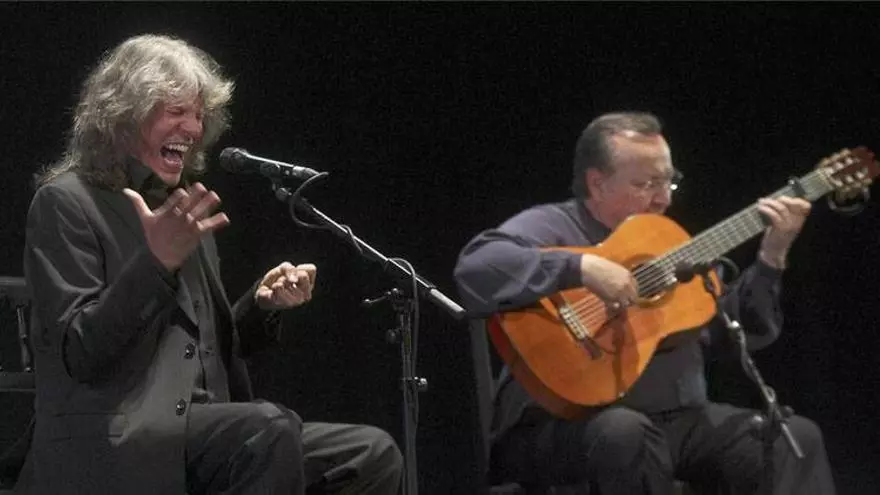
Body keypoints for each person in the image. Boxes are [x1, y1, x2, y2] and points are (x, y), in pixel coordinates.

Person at [17, 34, 402, 495]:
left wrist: (261, 307)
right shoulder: (65, 203)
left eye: (199, 115)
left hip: (203, 432)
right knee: (266, 429)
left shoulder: (182, 208)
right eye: (176, 111)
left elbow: (202, 349)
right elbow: (81, 352)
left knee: (370, 454)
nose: (194, 128)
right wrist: (155, 263)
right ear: (126, 113)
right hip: (116, 436)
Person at [453, 112, 836, 494]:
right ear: (597, 183)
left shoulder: (669, 243)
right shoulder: (552, 225)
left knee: (794, 440)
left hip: (674, 420)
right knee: (624, 433)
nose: (663, 197)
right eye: (646, 184)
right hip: (560, 424)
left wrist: (771, 257)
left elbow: (743, 332)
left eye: (669, 181)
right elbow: (478, 266)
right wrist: (582, 267)